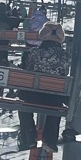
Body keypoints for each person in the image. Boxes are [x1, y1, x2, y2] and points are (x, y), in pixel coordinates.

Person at [17, 21, 69, 151]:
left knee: (24, 105)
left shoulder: (32, 53)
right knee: (55, 108)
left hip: (32, 96)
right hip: (53, 98)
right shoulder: (65, 56)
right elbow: (64, 72)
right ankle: (49, 139)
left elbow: (27, 69)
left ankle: (28, 136)